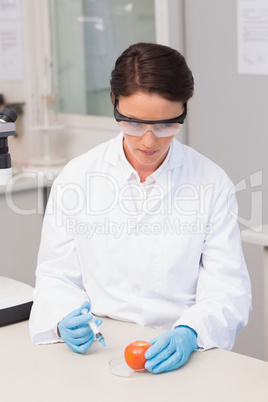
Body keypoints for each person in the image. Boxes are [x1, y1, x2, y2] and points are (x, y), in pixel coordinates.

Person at [29, 42, 251, 374]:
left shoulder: (210, 182)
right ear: (114, 103)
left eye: (164, 125)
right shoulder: (78, 176)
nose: (148, 141)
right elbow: (56, 275)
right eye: (133, 123)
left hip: (181, 355)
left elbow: (228, 289)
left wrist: (190, 332)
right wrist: (63, 316)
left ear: (185, 108)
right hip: (99, 348)